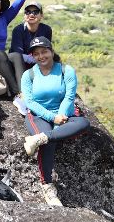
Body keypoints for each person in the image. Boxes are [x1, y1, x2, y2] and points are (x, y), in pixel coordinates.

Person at [21, 37, 90, 207]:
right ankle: (47, 186)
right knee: (49, 143)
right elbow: (30, 102)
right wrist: (52, 118)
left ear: (51, 51)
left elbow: (69, 97)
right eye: (36, 54)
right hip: (38, 115)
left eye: (44, 51)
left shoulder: (66, 70)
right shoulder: (28, 75)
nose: (41, 56)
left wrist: (59, 119)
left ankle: (41, 137)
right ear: (33, 57)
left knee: (84, 123)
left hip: (64, 113)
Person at [9, 1, 53, 115]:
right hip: (19, 65)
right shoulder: (18, 30)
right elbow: (18, 54)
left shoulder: (46, 30)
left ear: (41, 15)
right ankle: (21, 96)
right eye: (28, 12)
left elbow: (46, 50)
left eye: (35, 12)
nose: (31, 14)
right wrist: (36, 59)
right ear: (24, 15)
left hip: (36, 63)